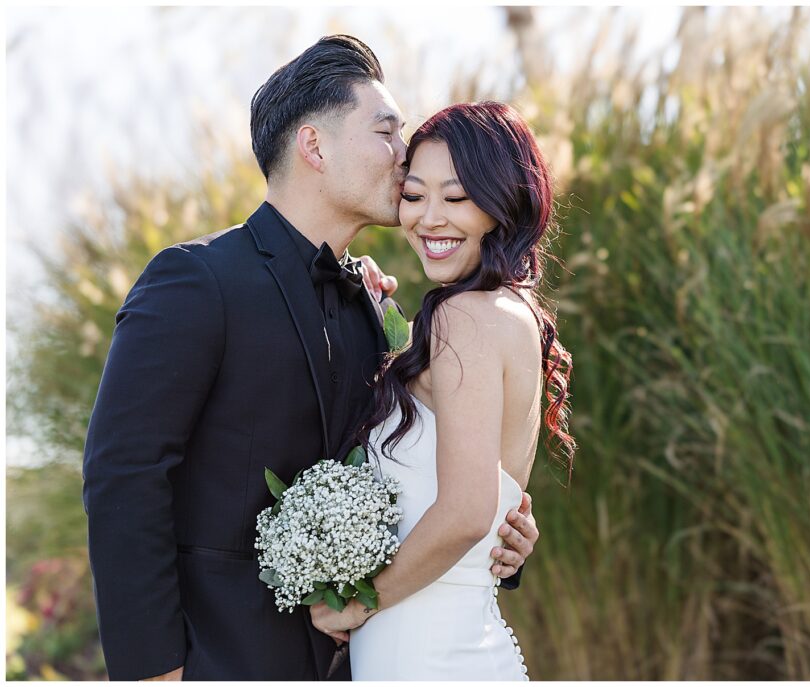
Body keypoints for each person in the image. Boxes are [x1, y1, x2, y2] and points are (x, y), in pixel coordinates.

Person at [82, 36, 539, 681]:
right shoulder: (196, 280)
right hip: (218, 661)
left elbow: (423, 486)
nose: (404, 156)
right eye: (386, 132)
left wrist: (503, 541)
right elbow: (123, 472)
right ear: (316, 147)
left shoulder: (381, 313)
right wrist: (151, 669)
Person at [309, 102, 576, 680]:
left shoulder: (466, 318)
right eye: (414, 195)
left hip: (431, 656)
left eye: (456, 198)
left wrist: (357, 604)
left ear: (503, 203)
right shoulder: (509, 313)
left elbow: (466, 512)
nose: (430, 219)